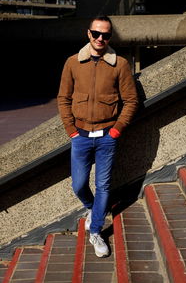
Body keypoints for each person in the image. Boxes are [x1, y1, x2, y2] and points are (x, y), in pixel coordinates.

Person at [57, 16, 138, 257]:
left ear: (110, 37)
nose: (101, 38)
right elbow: (63, 98)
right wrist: (71, 129)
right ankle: (93, 208)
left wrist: (117, 130)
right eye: (96, 33)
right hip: (80, 135)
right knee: (78, 184)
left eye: (106, 35)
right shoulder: (73, 63)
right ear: (88, 33)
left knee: (103, 185)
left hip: (106, 136)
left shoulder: (120, 64)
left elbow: (131, 101)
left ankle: (96, 231)